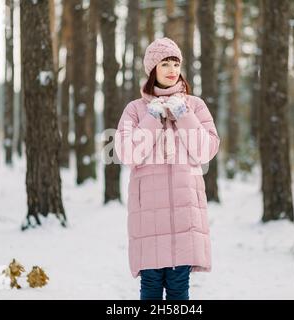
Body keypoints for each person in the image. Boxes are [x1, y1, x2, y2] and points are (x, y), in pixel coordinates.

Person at [114, 37, 220, 300]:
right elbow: (127, 153)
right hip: (148, 213)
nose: (172, 69)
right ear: (153, 69)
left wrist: (183, 114)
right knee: (150, 286)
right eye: (165, 63)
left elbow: (206, 149)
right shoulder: (136, 110)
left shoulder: (194, 106)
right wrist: (152, 118)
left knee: (178, 287)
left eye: (176, 63)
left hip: (185, 212)